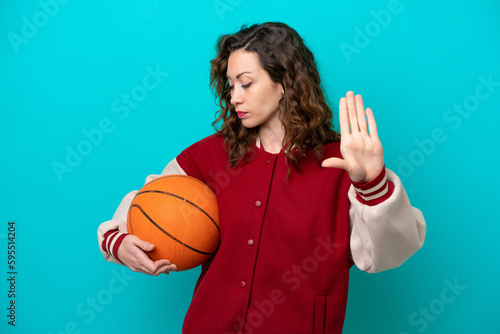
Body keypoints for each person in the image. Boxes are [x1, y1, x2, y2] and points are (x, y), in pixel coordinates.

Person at [97, 22, 426, 333]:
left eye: (246, 83)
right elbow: (146, 205)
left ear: (285, 82)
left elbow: (388, 253)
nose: (234, 97)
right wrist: (118, 241)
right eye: (230, 84)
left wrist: (371, 185)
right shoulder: (209, 156)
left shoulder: (342, 164)